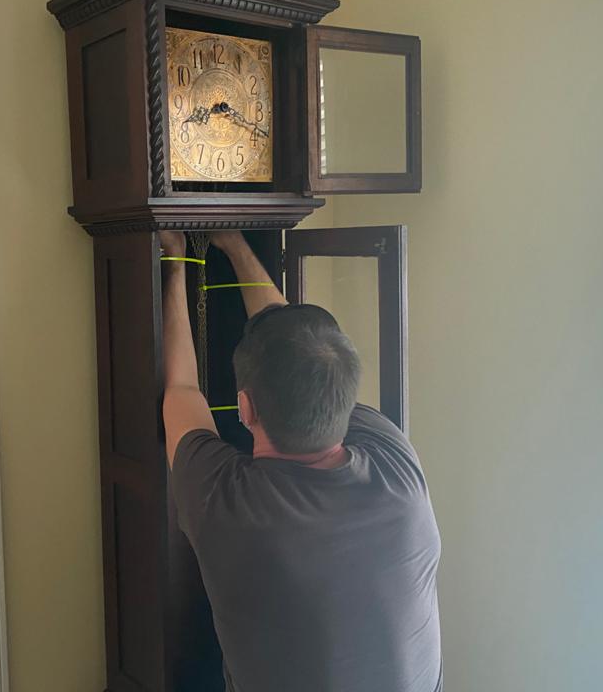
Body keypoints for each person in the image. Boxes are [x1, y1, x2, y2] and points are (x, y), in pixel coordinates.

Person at [160, 229, 442, 692]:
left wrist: (175, 263)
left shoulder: (228, 505)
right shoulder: (398, 463)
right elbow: (300, 347)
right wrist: (235, 245)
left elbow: (183, 391)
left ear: (244, 409)